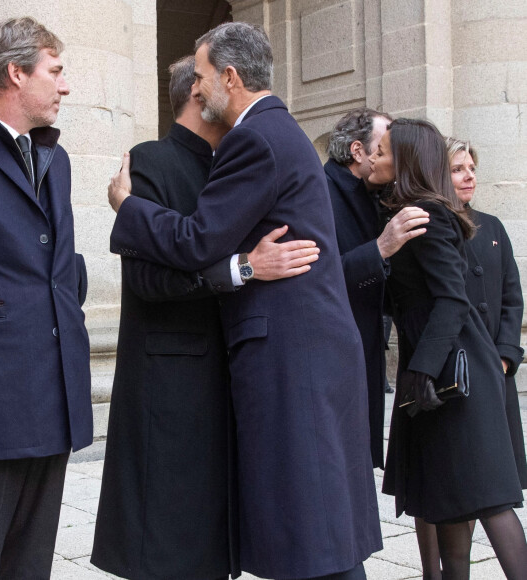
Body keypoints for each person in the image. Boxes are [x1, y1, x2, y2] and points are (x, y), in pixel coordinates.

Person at [108, 21, 382, 580]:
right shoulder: (281, 132)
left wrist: (126, 208)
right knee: (315, 522)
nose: (197, 88)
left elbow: (196, 240)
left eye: (204, 76)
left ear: (231, 77)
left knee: (311, 527)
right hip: (307, 349)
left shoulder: (254, 139)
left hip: (291, 354)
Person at [91, 55, 320, 580]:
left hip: (233, 376)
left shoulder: (238, 160)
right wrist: (243, 268)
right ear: (200, 94)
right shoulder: (152, 159)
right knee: (172, 546)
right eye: (203, 79)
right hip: (172, 389)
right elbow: (146, 281)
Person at [0, 17, 92, 580]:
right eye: (55, 72)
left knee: (28, 566)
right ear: (15, 73)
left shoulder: (55, 160)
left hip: (50, 395)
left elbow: (58, 268)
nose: (65, 86)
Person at [373, 118, 527, 579]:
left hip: (455, 373)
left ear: (405, 160)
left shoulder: (429, 211)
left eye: (382, 151)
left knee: (488, 499)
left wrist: (420, 369)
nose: (374, 157)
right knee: (451, 504)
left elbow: (452, 298)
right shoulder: (410, 210)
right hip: (441, 374)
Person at [324, 107, 429, 468]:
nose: (393, 153)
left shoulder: (379, 197)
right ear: (358, 152)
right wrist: (380, 248)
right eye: (384, 145)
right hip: (332, 353)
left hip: (366, 350)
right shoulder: (319, 193)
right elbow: (315, 276)